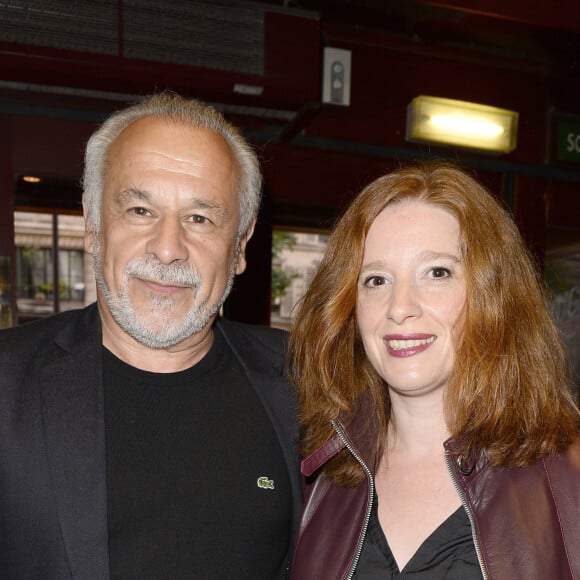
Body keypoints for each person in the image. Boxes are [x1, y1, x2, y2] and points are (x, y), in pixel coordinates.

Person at [0, 92, 301, 579]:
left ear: (241, 246)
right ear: (93, 226)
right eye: (140, 210)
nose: (167, 249)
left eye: (200, 219)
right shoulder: (6, 384)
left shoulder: (305, 384)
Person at [288, 161, 580, 579]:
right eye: (376, 280)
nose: (401, 307)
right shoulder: (320, 475)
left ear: (493, 297)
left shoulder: (567, 478)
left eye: (437, 273)